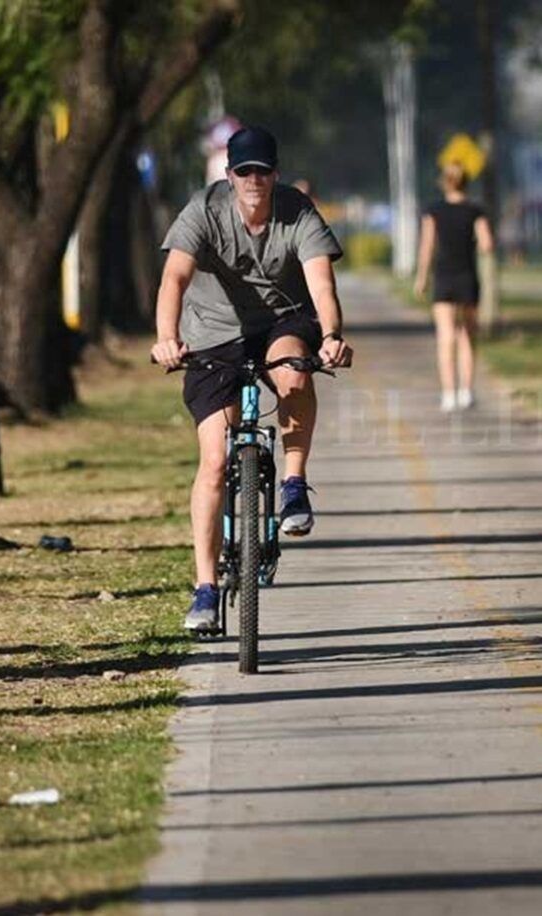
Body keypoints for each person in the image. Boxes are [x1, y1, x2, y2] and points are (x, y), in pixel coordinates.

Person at [152, 125, 354, 632]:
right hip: (212, 333)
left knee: (294, 372)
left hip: (283, 320)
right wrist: (166, 338)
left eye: (263, 171)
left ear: (275, 174)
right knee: (215, 461)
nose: (254, 180)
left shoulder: (298, 213)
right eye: (244, 171)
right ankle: (204, 588)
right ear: (230, 175)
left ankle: (292, 483)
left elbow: (321, 282)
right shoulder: (204, 210)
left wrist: (330, 335)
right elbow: (174, 277)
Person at [414, 162, 494, 412]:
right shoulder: (475, 210)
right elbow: (487, 245)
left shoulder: (434, 210)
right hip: (467, 276)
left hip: (444, 277)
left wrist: (422, 277)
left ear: (444, 182)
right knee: (468, 334)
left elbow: (427, 246)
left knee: (446, 335)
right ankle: (466, 391)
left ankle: (448, 393)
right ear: (466, 182)